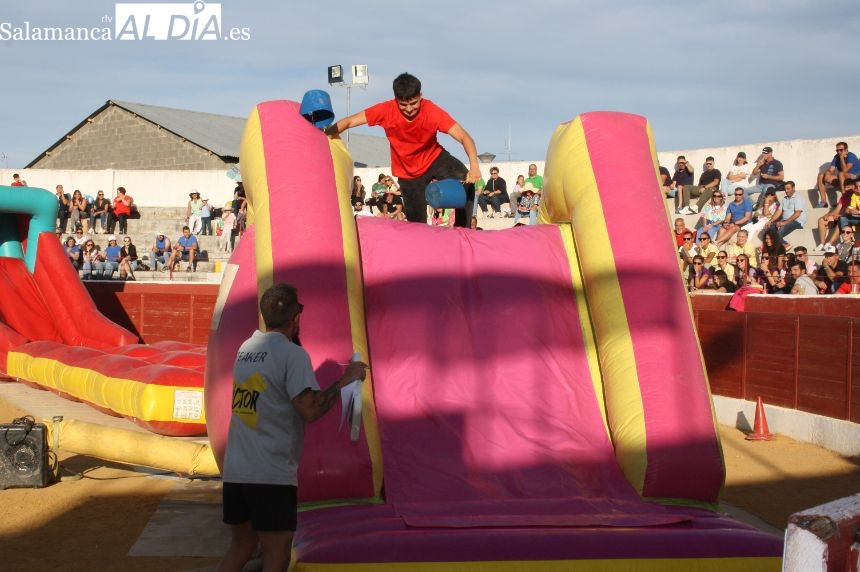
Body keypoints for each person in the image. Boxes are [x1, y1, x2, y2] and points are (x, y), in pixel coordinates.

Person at [216, 283, 368, 572]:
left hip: (237, 470)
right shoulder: (292, 355)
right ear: (296, 317)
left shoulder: (246, 349)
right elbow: (310, 409)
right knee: (277, 556)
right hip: (269, 473)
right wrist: (345, 380)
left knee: (241, 548)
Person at [325, 72, 481, 226]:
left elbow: (465, 137)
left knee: (465, 179)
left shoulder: (432, 111)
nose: (409, 109)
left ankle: (463, 229)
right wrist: (324, 135)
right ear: (396, 100)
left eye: (413, 103)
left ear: (420, 96)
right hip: (407, 172)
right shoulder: (386, 110)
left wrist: (474, 166)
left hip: (434, 158)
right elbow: (350, 121)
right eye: (403, 105)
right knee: (417, 225)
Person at [816, 142, 860, 208]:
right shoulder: (836, 157)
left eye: (841, 150)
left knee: (841, 174)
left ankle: (844, 198)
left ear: (846, 150)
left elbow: (845, 170)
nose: (839, 152)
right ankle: (823, 202)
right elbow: (831, 170)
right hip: (843, 179)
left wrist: (841, 158)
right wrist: (827, 174)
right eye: (837, 150)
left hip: (855, 179)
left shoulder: (851, 156)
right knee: (821, 175)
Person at [816, 178, 856, 250]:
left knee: (841, 219)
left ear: (854, 186)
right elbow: (837, 209)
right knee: (821, 220)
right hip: (841, 216)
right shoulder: (844, 196)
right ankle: (822, 244)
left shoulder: (856, 196)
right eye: (845, 187)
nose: (846, 189)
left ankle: (829, 244)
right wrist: (828, 215)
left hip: (850, 218)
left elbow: (851, 211)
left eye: (848, 187)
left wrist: (839, 215)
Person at [772, 181, 806, 245]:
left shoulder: (798, 197)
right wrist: (770, 221)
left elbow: (797, 213)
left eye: (788, 189)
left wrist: (785, 222)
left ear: (793, 188)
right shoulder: (785, 199)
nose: (786, 191)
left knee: (780, 230)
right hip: (785, 221)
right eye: (785, 189)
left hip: (796, 222)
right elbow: (779, 211)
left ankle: (785, 244)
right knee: (770, 227)